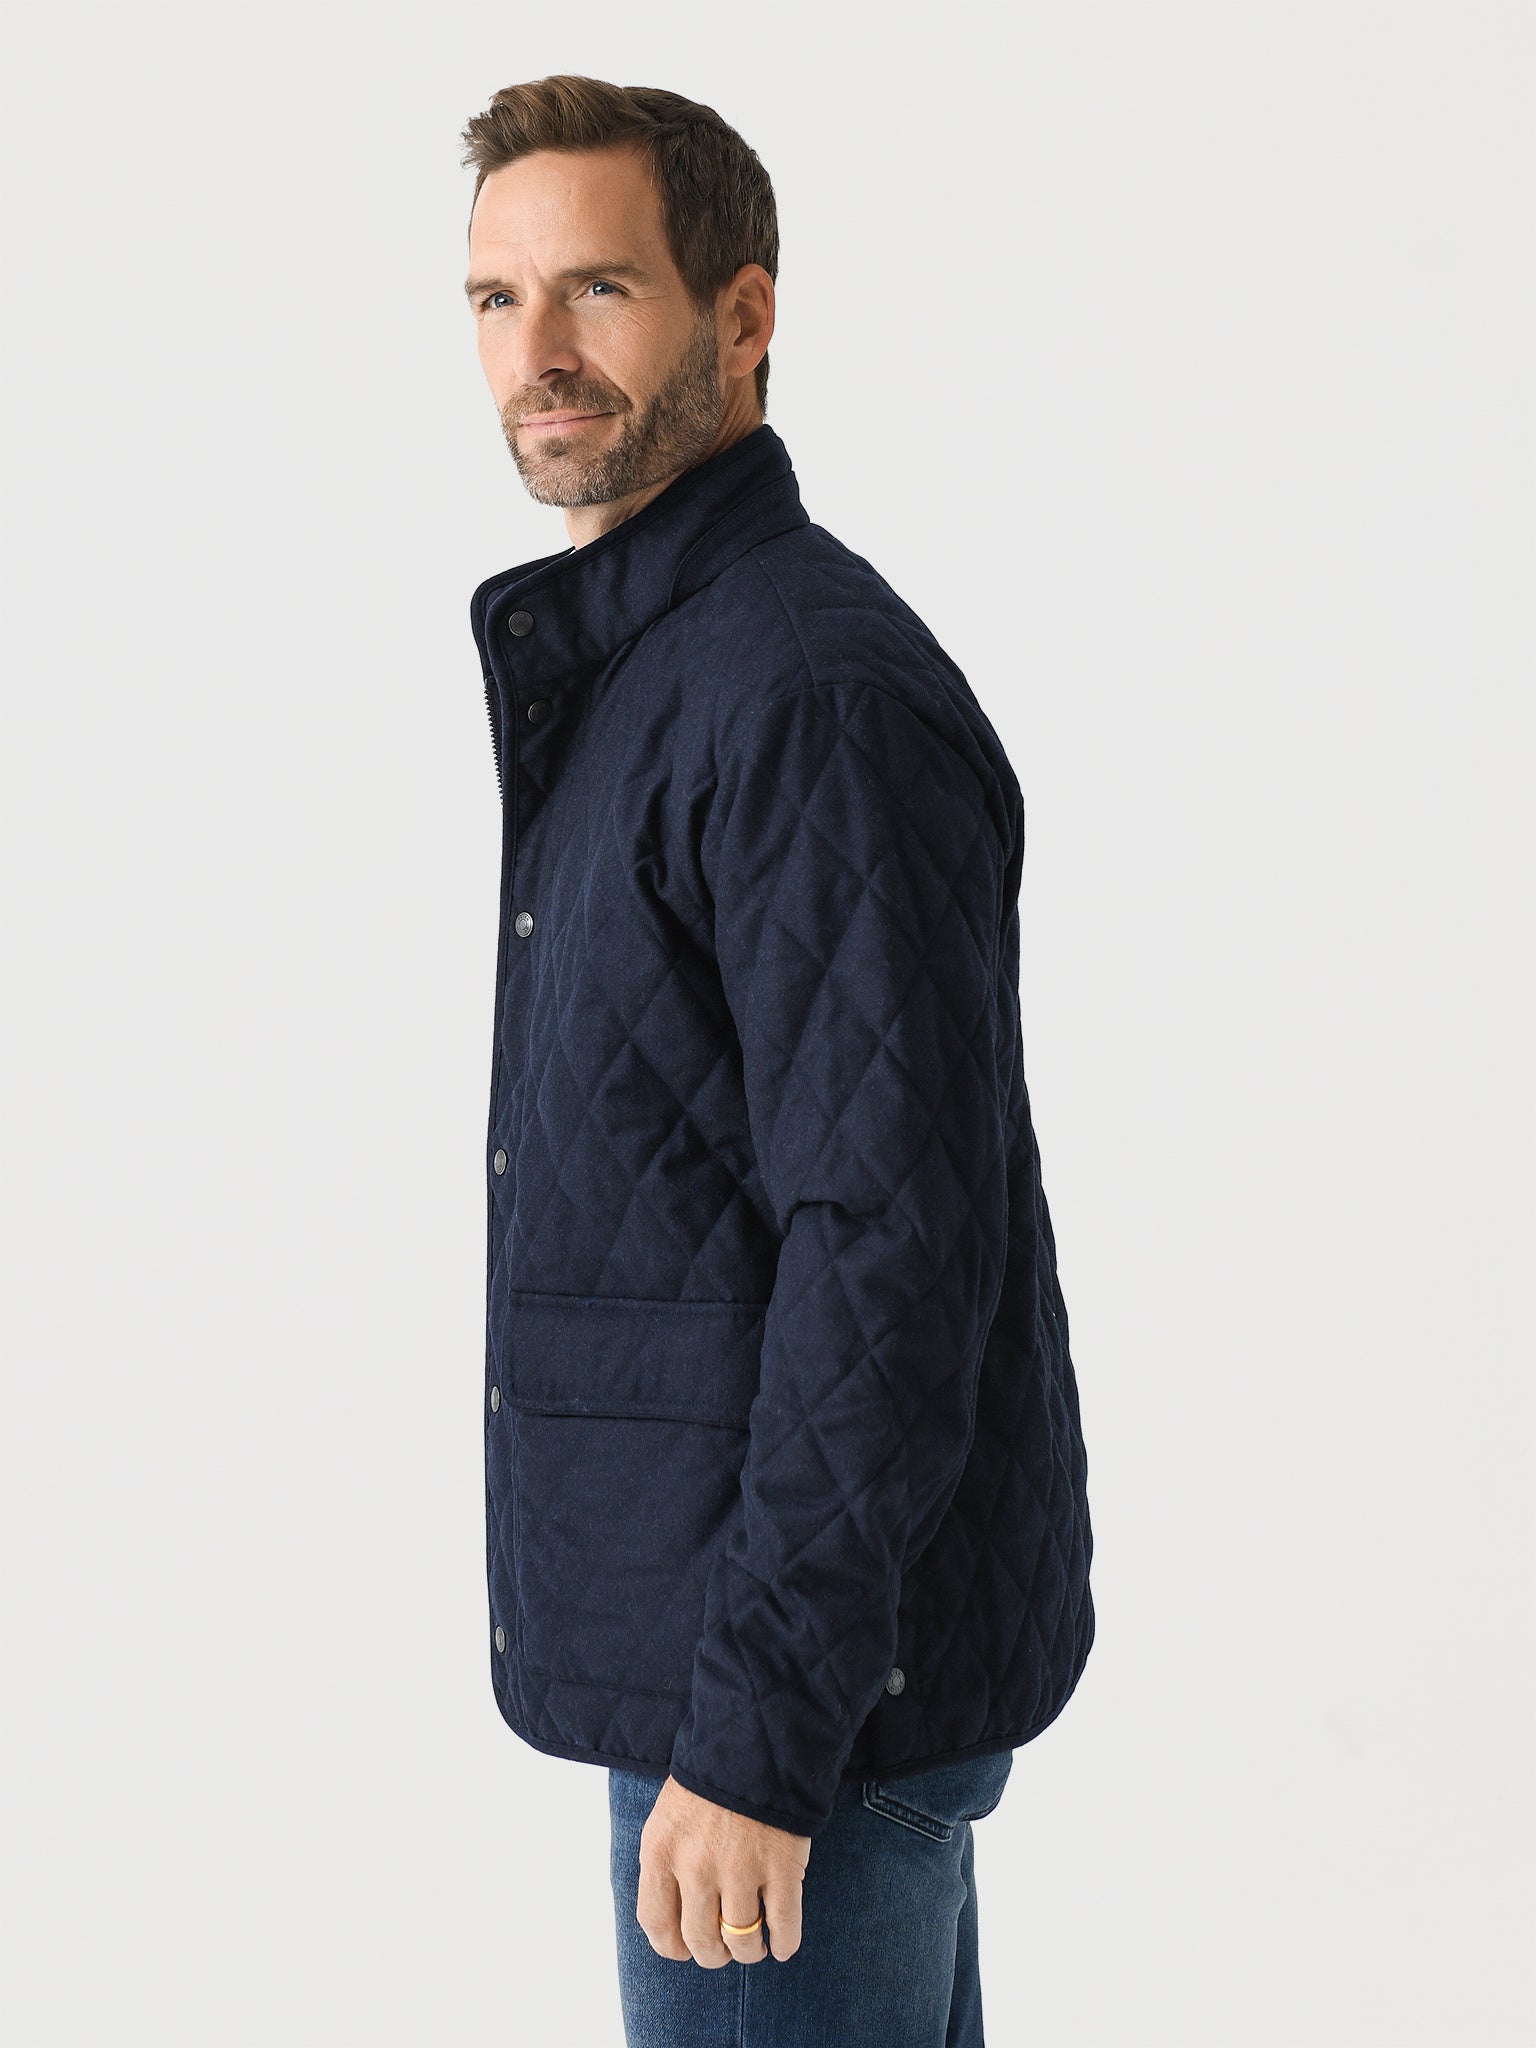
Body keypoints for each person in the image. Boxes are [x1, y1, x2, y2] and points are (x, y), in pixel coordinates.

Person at [458, 74, 1095, 2047]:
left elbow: (890, 1242)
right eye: (494, 299)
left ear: (741, 319)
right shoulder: (660, 671)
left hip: (778, 1718)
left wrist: (757, 1730)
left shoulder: (798, 692)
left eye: (599, 288)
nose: (539, 353)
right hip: (749, 1675)